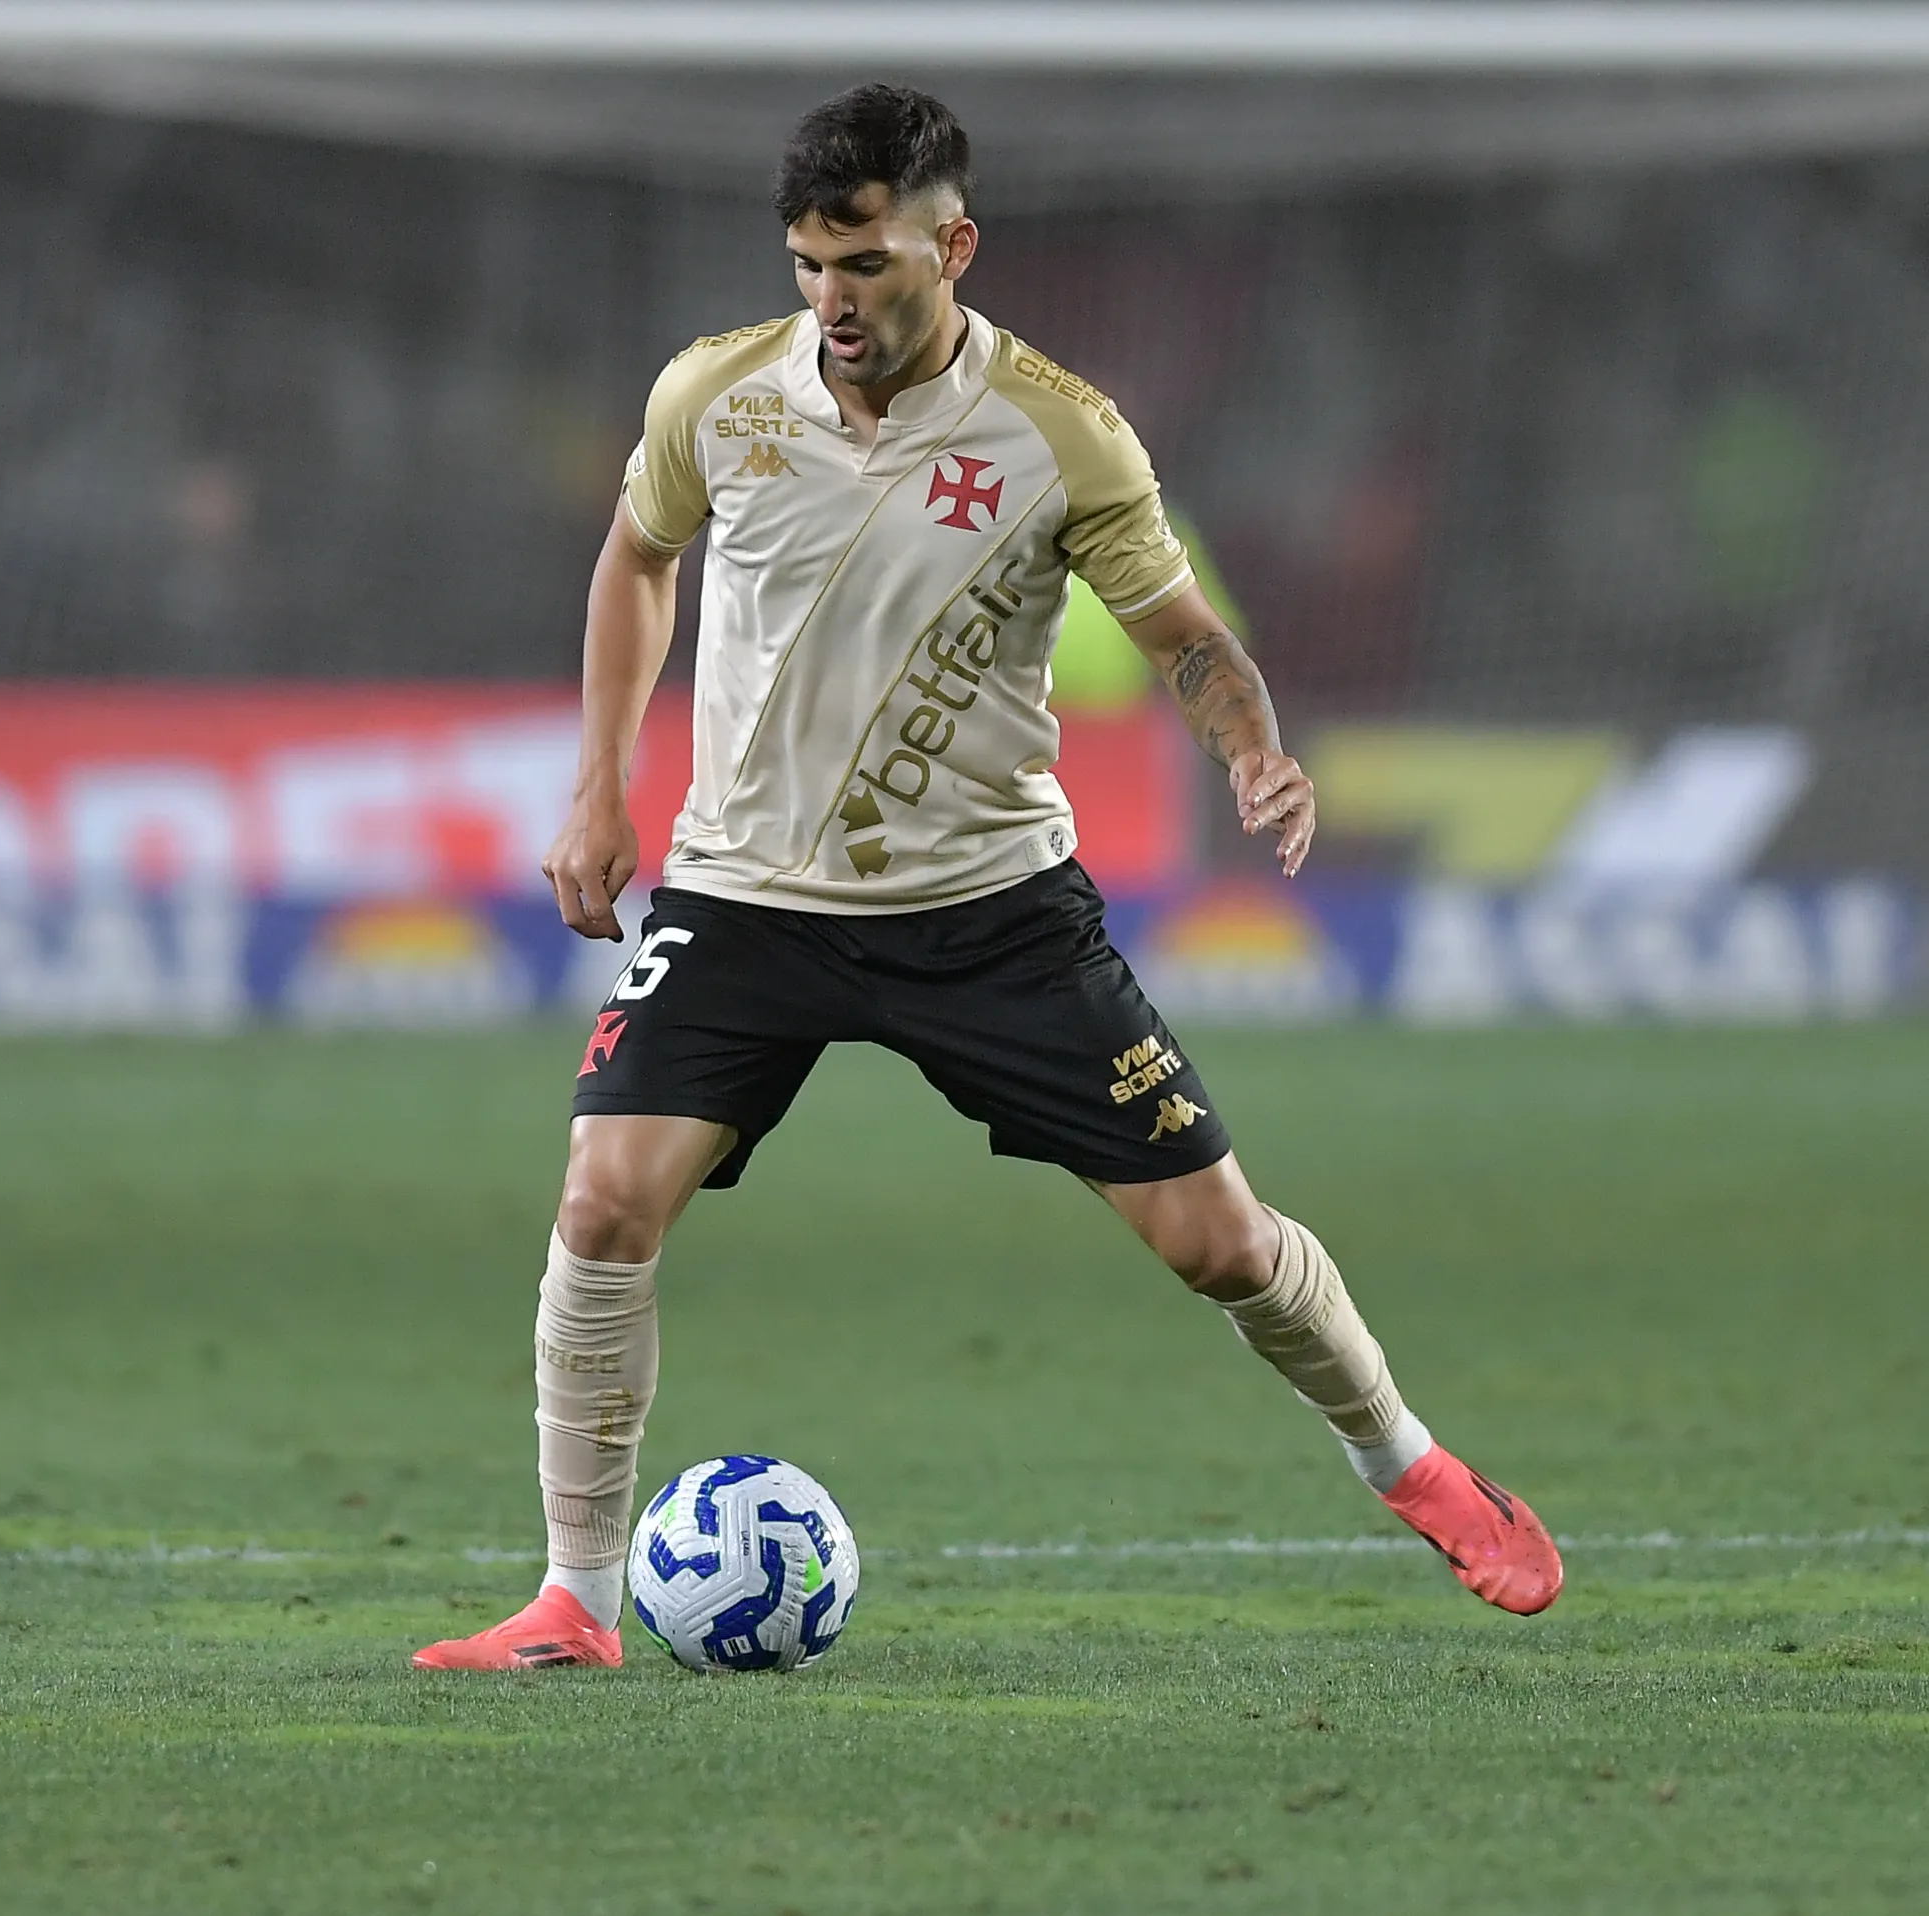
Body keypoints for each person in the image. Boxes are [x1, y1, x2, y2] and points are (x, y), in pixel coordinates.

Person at [415, 85, 1561, 1672]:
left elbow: (1192, 642)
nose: (834, 304)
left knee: (1218, 1246)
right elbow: (637, 557)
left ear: (951, 247)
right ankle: (576, 1602)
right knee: (604, 1205)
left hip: (992, 911)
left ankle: (1409, 1463)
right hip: (746, 896)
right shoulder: (718, 396)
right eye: (811, 266)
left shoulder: (1060, 431)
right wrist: (598, 785)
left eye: (867, 267)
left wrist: (1250, 749)